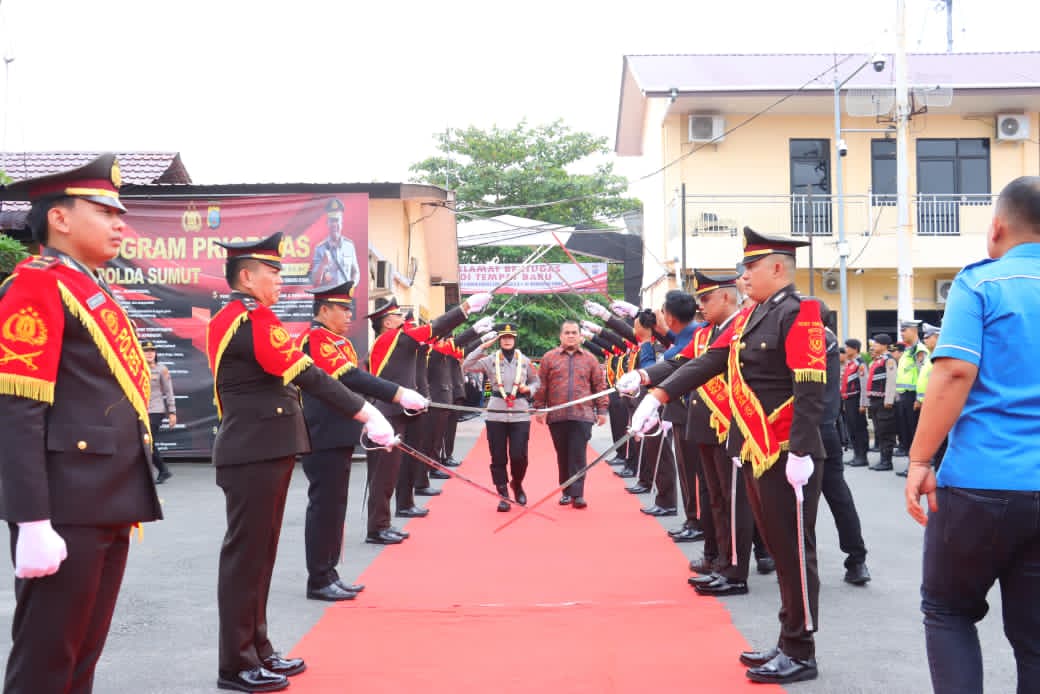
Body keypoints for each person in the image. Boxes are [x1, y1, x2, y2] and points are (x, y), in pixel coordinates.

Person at [625, 228, 827, 685]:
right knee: (778, 546)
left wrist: (800, 451)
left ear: (778, 267)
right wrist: (657, 394)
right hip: (756, 448)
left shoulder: (800, 312)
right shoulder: (753, 315)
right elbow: (708, 361)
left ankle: (801, 651)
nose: (743, 277)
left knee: (794, 552)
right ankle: (788, 639)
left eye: (750, 268)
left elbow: (810, 388)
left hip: (784, 453)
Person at [0, 153, 164, 694]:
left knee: (81, 659)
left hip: (105, 497)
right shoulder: (37, 285)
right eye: (104, 212)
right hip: (65, 504)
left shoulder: (86, 288)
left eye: (120, 214)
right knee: (47, 662)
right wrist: (31, 519)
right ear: (59, 218)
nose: (120, 224)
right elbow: (18, 408)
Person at [206, 231, 395, 692]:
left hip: (263, 448)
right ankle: (236, 663)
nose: (279, 280)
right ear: (246, 277)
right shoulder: (250, 318)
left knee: (260, 558)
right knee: (246, 561)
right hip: (253, 450)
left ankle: (258, 648)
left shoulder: (246, 316)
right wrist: (365, 411)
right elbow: (306, 373)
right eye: (272, 272)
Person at [906, 176, 1040, 694]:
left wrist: (920, 460)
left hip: (981, 481)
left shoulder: (981, 283)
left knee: (949, 611)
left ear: (997, 228)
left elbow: (955, 372)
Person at [296, 281, 428, 601]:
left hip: (339, 433)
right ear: (323, 310)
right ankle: (318, 578)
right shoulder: (315, 339)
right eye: (342, 309)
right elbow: (348, 377)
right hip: (322, 434)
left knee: (336, 508)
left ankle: (330, 572)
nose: (348, 315)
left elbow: (356, 386)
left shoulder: (338, 342)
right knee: (324, 508)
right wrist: (397, 393)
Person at [364, 293, 490, 544]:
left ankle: (393, 513)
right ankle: (377, 528)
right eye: (397, 315)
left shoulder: (400, 340)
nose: (402, 318)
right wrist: (466, 308)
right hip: (389, 413)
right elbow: (433, 329)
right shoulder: (391, 338)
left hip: (401, 411)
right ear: (387, 322)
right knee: (383, 475)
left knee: (397, 468)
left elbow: (435, 336)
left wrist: (473, 329)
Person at [462, 323, 540, 511]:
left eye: (510, 337)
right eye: (503, 337)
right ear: (499, 340)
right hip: (496, 413)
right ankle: (503, 493)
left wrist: (529, 389)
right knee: (498, 456)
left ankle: (517, 484)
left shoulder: (524, 360)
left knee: (519, 455)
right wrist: (483, 346)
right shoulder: (490, 360)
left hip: (520, 413)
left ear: (515, 339)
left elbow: (536, 381)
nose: (507, 340)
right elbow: (466, 365)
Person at [532, 320, 610, 509]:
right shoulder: (549, 358)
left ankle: (578, 494)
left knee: (578, 455)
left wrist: (602, 410)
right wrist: (539, 407)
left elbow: (599, 386)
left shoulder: (590, 359)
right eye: (567, 332)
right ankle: (566, 492)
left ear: (580, 336)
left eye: (574, 332)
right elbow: (541, 385)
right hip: (557, 415)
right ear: (561, 336)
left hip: (582, 415)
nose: (571, 336)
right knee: (563, 455)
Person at [817, 310, 870, 585]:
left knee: (802, 502)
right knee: (839, 497)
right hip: (826, 429)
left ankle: (799, 563)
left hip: (810, 430)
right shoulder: (828, 340)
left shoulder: (815, 340)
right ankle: (857, 560)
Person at [910, 322, 946, 472]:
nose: (925, 340)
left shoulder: (941, 357)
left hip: (939, 405)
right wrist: (919, 399)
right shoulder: (930, 357)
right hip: (928, 404)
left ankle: (941, 472)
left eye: (928, 337)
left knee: (941, 441)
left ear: (937, 338)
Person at [142, 341, 177, 484]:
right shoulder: (136, 370)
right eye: (146, 350)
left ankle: (163, 470)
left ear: (155, 353)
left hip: (156, 410)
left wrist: (172, 412)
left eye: (152, 350)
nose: (149, 353)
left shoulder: (162, 369)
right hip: (140, 410)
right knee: (143, 441)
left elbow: (169, 392)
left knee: (148, 440)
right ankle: (160, 470)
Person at [308, 198, 361, 287]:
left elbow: (355, 272)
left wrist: (352, 285)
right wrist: (323, 264)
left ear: (342, 223)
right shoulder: (320, 249)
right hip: (327, 295)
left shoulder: (349, 246)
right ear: (327, 223)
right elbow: (315, 281)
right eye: (331, 221)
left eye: (337, 220)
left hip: (344, 294)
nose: (334, 224)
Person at [866, 334, 899, 472]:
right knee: (879, 431)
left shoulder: (888, 360)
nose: (874, 346)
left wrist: (889, 400)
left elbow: (891, 381)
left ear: (884, 345)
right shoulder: (877, 361)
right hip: (875, 400)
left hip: (884, 401)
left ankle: (887, 461)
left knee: (886, 431)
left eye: (876, 344)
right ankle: (883, 459)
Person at [894, 321, 924, 456]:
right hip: (904, 395)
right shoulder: (908, 351)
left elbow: (923, 374)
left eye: (904, 330)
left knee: (914, 429)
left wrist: (919, 398)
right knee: (906, 429)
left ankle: (918, 458)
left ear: (913, 331)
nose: (901, 334)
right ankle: (911, 457)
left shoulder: (919, 350)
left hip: (914, 395)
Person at [841, 338, 869, 467]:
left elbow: (864, 385)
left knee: (859, 429)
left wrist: (863, 403)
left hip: (857, 400)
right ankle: (856, 455)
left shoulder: (860, 364)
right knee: (852, 428)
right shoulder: (850, 364)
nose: (845, 350)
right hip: (849, 400)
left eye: (847, 347)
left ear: (855, 349)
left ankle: (862, 457)